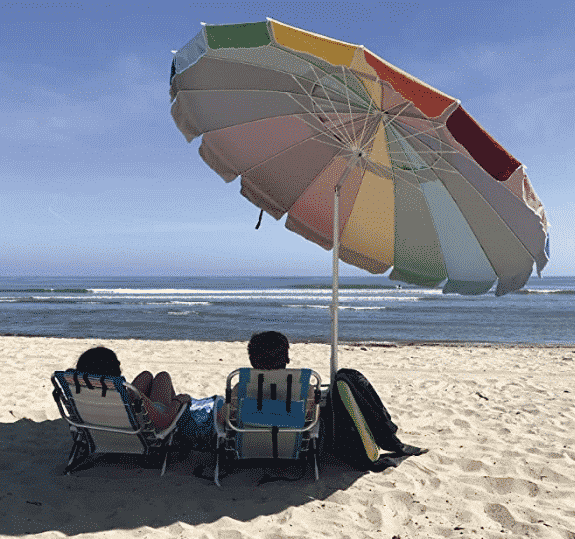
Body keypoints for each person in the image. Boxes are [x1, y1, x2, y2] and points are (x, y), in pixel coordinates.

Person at [74, 346, 191, 430]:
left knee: (146, 375)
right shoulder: (126, 396)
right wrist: (178, 401)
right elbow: (163, 422)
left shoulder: (78, 391)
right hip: (140, 426)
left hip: (99, 424)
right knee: (163, 376)